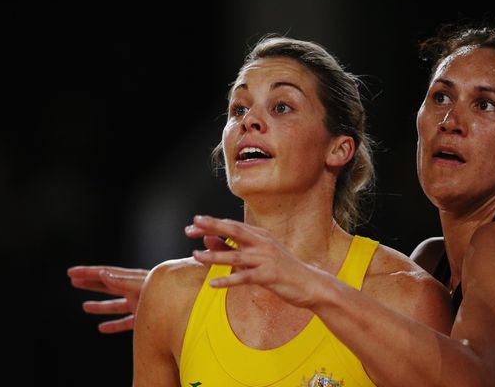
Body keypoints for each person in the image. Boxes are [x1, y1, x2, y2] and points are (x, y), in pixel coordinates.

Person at [69, 25, 495, 386]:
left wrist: (306, 283)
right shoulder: (430, 263)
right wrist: (190, 299)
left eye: (484, 104)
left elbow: (476, 379)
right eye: (440, 96)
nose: (451, 120)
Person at [127, 35, 452, 386]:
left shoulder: (407, 298)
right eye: (239, 108)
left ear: (338, 149)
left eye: (281, 106)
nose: (249, 120)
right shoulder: (170, 294)